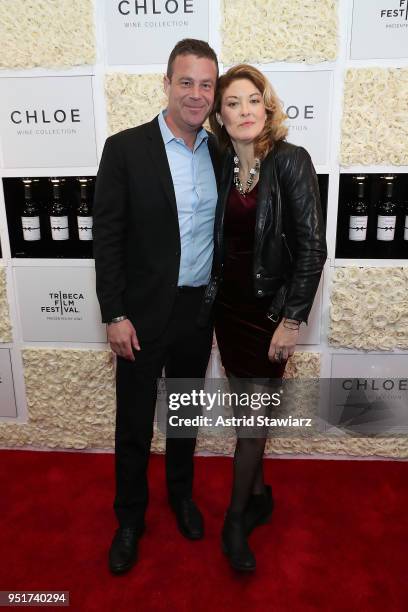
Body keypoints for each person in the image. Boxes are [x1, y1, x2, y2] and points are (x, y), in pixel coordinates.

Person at [93, 39, 221, 574]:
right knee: (134, 425)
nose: (196, 94)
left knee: (184, 415)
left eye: (206, 84)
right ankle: (129, 519)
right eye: (186, 81)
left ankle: (181, 497)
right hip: (141, 316)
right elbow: (108, 236)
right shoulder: (124, 149)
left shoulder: (222, 151)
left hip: (197, 312)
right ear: (166, 84)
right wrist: (114, 313)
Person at [202, 64, 327, 572]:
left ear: (267, 106)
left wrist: (291, 320)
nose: (244, 111)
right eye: (233, 103)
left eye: (252, 100)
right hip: (227, 313)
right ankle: (258, 496)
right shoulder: (220, 163)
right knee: (245, 414)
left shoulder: (291, 161)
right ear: (221, 115)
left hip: (270, 314)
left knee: (251, 425)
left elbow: (311, 249)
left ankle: (235, 520)